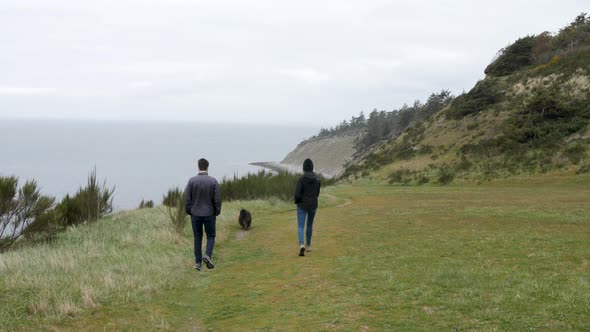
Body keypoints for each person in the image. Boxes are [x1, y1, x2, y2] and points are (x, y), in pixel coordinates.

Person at [185, 158, 222, 271]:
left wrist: (189, 211)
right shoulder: (213, 181)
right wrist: (217, 211)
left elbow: (187, 198)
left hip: (195, 214)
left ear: (198, 167)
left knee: (197, 237)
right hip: (209, 213)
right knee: (211, 236)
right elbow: (217, 199)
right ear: (207, 167)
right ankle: (207, 255)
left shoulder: (191, 181)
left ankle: (198, 263)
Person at [294, 158, 321, 256]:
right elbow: (317, 193)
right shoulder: (317, 179)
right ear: (312, 168)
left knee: (301, 226)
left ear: (304, 168)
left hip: (302, 205)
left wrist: (298, 202)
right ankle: (308, 246)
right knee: (309, 225)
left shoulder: (301, 179)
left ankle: (301, 244)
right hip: (313, 205)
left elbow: (297, 194)